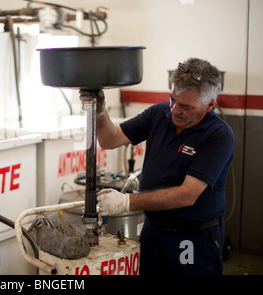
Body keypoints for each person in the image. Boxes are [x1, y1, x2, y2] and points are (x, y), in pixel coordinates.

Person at [80, 57, 234, 275]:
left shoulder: (218, 135)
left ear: (210, 105)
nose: (175, 110)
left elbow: (187, 195)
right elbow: (110, 139)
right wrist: (100, 111)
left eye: (186, 106)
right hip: (154, 231)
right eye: (172, 100)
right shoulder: (158, 114)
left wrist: (126, 201)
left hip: (193, 238)